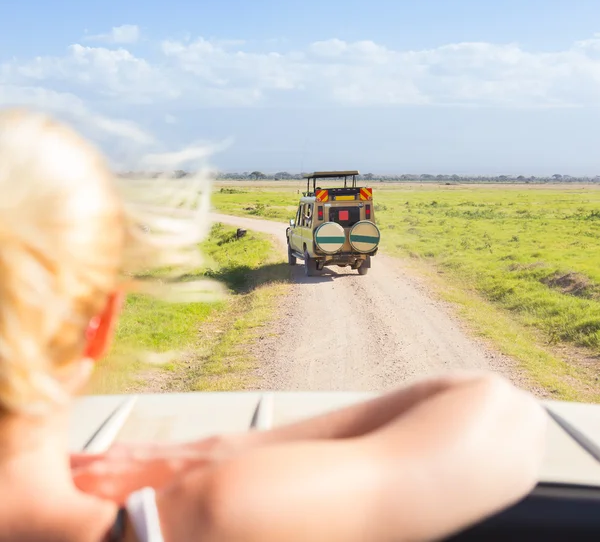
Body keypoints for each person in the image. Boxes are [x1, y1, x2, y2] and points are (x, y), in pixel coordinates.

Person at [0, 107, 548, 542]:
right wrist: (207, 455)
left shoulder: (312, 218)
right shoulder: (194, 520)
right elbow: (500, 416)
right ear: (99, 323)